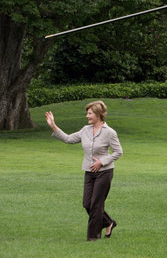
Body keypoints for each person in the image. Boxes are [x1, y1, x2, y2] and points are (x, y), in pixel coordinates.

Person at [45, 101, 123, 241]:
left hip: (104, 172)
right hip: (89, 172)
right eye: (87, 113)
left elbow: (118, 152)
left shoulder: (110, 132)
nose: (87, 116)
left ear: (99, 115)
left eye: (90, 113)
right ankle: (108, 222)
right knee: (87, 204)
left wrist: (102, 161)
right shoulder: (85, 130)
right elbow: (68, 139)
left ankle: (92, 238)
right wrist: (53, 126)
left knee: (96, 205)